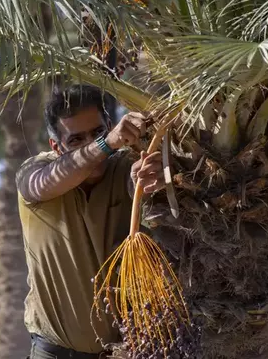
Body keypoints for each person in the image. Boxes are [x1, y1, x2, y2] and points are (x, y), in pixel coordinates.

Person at [16, 84, 166, 359]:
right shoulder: (34, 171)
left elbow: (136, 182)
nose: (90, 143)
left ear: (109, 124)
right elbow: (40, 185)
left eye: (98, 131)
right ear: (56, 146)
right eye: (76, 139)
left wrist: (145, 181)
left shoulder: (123, 167)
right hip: (53, 351)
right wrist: (106, 142)